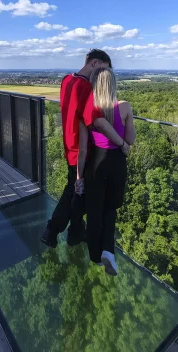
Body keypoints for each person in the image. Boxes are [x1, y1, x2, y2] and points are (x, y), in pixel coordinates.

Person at [40, 49, 129, 248]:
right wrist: (122, 144)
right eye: (103, 71)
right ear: (95, 63)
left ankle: (74, 231)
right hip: (85, 149)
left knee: (78, 190)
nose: (102, 77)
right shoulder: (86, 88)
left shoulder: (67, 80)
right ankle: (54, 230)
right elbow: (97, 121)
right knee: (75, 191)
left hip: (70, 145)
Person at [81, 67, 135, 276]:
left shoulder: (89, 109)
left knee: (94, 210)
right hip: (116, 163)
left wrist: (79, 174)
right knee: (111, 208)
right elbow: (130, 140)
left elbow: (84, 146)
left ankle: (95, 255)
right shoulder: (125, 107)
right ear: (113, 84)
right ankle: (108, 251)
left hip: (96, 162)